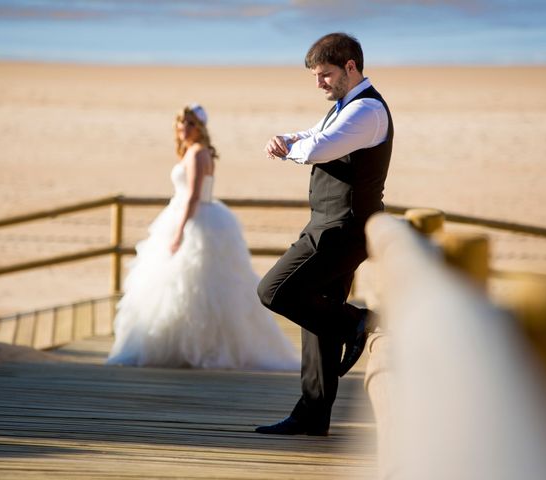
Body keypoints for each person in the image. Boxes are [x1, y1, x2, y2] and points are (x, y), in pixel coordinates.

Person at [255, 33, 394, 435]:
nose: (320, 84)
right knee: (316, 314)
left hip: (344, 228)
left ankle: (360, 321)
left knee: (274, 291)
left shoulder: (367, 110)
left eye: (326, 75)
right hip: (329, 224)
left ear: (351, 67)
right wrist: (287, 138)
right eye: (316, 76)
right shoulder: (345, 106)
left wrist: (290, 150)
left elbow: (319, 147)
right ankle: (312, 415)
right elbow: (311, 135)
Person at [107, 104, 299, 371]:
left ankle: (201, 348)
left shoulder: (198, 154)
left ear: (200, 128)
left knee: (196, 285)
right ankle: (182, 345)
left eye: (189, 124)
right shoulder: (194, 151)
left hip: (196, 219)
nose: (183, 128)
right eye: (181, 123)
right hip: (196, 215)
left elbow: (194, 196)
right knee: (180, 286)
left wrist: (179, 231)